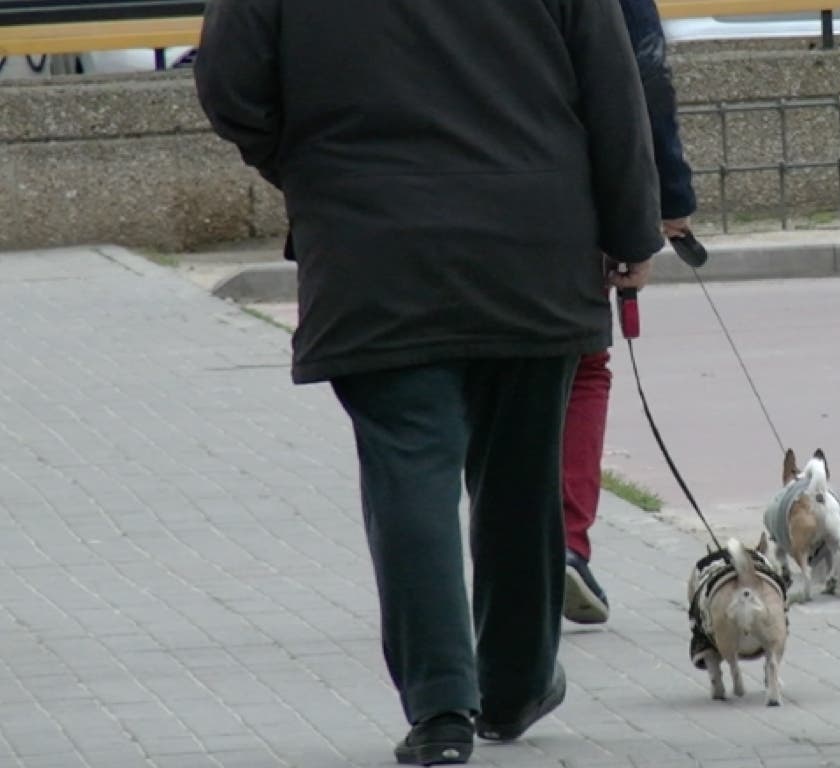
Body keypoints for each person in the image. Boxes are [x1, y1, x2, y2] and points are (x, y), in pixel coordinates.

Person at [193, 1, 663, 765]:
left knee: (407, 475)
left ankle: (442, 710)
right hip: (533, 240)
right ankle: (513, 687)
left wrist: (315, 163)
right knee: (521, 476)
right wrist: (633, 230)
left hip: (372, 245)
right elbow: (613, 85)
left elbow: (229, 86)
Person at [562, 0, 699, 625]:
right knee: (583, 366)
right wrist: (661, 205)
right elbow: (643, 76)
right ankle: (563, 545)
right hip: (561, 191)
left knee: (463, 383)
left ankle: (499, 554)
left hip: (415, 202)